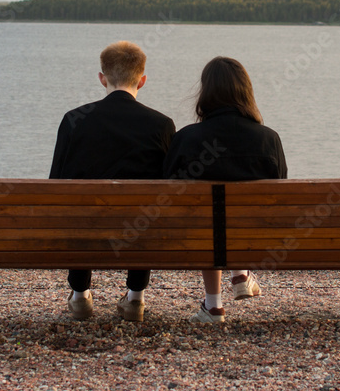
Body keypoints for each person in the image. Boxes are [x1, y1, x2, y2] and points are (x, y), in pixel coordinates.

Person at [49, 41, 175, 322]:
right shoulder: (161, 124)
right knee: (147, 209)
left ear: (102, 78)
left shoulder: (73, 120)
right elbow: (168, 187)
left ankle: (80, 295)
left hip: (87, 226)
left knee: (78, 209)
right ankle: (135, 297)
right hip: (139, 228)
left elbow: (55, 183)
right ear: (142, 81)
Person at [163, 56, 287, 323]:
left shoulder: (186, 138)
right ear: (246, 92)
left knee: (209, 221)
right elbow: (280, 192)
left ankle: (213, 304)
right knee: (224, 219)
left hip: (199, 235)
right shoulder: (268, 139)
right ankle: (240, 273)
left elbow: (167, 190)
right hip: (256, 235)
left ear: (205, 92)